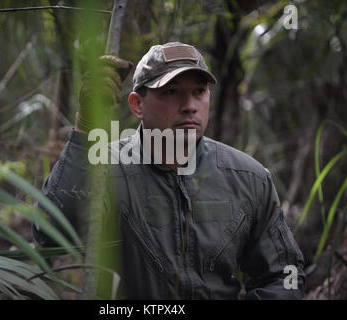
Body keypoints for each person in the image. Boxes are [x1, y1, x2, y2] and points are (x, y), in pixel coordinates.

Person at [33, 42, 306, 299]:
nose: (189, 106)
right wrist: (85, 128)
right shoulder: (105, 167)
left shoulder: (248, 177)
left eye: (199, 92)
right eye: (171, 92)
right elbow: (51, 233)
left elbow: (283, 275)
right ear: (137, 105)